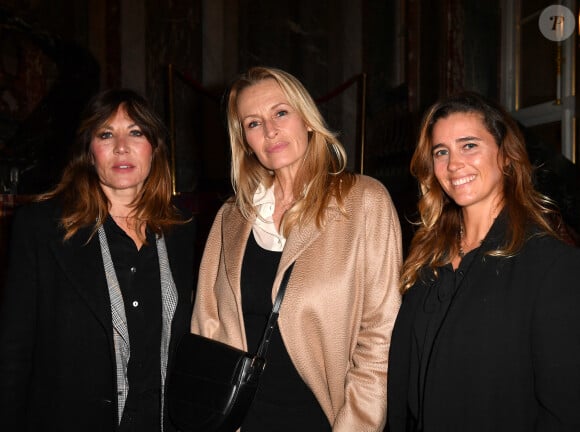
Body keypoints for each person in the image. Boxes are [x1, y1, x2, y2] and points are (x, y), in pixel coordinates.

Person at [190, 66, 402, 431]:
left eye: (280, 113)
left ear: (306, 119)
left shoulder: (364, 201)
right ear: (244, 141)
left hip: (326, 420)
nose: (270, 130)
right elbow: (206, 326)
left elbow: (380, 337)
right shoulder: (231, 216)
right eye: (253, 123)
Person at [0, 88, 196, 432]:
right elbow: (13, 352)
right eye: (106, 134)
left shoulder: (181, 231)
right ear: (89, 152)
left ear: (155, 148)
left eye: (136, 132)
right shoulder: (42, 229)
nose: (122, 146)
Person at [387, 92, 580, 431]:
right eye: (441, 152)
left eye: (469, 145)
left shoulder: (552, 265)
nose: (453, 164)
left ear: (506, 156)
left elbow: (565, 411)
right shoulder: (426, 261)